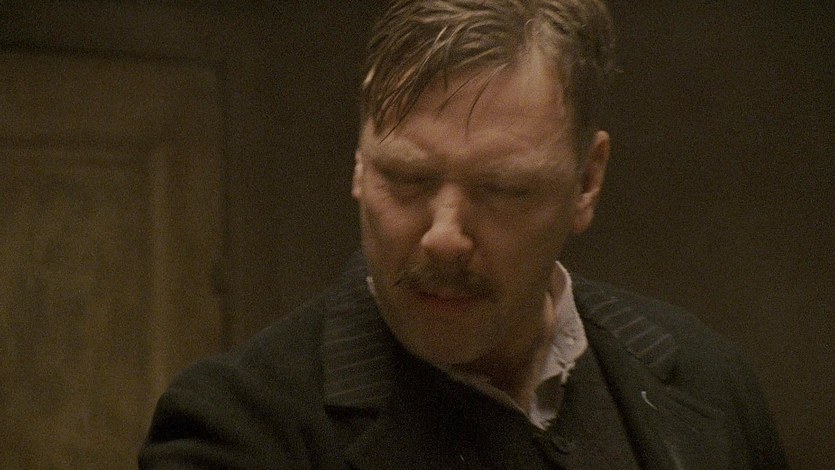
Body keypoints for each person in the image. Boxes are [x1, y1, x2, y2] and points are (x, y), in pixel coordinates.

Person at [140, 0, 787, 468]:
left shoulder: (706, 380)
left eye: (502, 190)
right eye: (406, 178)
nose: (443, 238)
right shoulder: (236, 430)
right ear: (360, 164)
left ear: (587, 182)